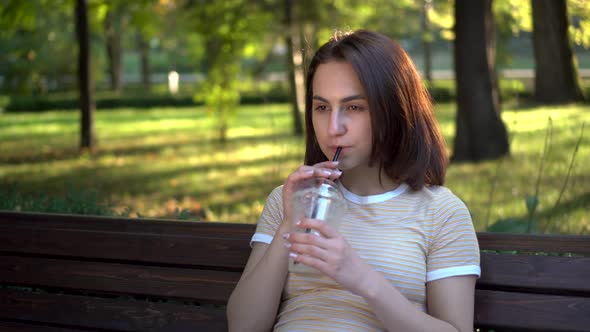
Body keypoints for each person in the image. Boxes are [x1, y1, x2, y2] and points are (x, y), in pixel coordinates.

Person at [226, 29, 480, 332]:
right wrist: (289, 223)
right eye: (322, 107)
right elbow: (243, 326)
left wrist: (360, 278)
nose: (333, 127)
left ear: (394, 110)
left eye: (354, 107)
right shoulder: (289, 200)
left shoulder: (441, 212)